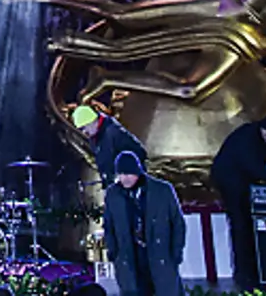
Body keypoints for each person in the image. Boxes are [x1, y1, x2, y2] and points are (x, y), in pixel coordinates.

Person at [208, 115, 266, 289]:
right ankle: (244, 274)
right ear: (264, 130)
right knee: (240, 225)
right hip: (230, 182)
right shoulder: (245, 140)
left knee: (250, 226)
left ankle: (258, 270)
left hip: (243, 182)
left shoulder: (265, 140)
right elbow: (257, 170)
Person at [102, 152, 184, 296]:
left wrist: (176, 252)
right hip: (129, 257)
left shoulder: (162, 190)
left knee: (164, 289)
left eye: (128, 174)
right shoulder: (113, 194)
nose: (124, 178)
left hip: (160, 255)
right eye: (120, 174)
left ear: (137, 172)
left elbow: (177, 222)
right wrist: (113, 251)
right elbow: (109, 225)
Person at [71, 104, 146, 186]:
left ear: (92, 121)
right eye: (81, 129)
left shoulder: (114, 133)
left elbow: (139, 152)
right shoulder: (95, 137)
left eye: (84, 128)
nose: (84, 132)